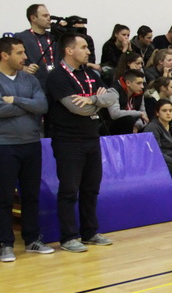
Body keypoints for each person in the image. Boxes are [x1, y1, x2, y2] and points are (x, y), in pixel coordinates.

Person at [46, 34, 118, 252]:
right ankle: (68, 237)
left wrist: (93, 100)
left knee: (91, 188)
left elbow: (114, 96)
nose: (89, 52)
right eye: (84, 47)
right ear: (69, 50)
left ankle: (89, 232)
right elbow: (77, 108)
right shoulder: (57, 76)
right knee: (69, 190)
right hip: (68, 141)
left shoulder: (89, 73)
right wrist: (97, 103)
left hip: (91, 137)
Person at [0, 37, 53, 262]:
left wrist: (15, 101)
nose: (25, 57)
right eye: (20, 53)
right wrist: (26, 105)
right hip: (5, 146)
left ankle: (32, 239)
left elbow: (42, 106)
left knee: (31, 195)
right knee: (4, 197)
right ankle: (5, 244)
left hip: (31, 144)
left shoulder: (29, 79)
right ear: (5, 55)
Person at [15, 4, 57, 79]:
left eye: (49, 16)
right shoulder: (21, 37)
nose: (49, 19)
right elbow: (10, 61)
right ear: (33, 18)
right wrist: (24, 68)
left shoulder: (55, 37)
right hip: (34, 82)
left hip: (56, 82)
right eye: (45, 16)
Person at [101, 69, 148, 135]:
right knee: (128, 120)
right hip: (111, 127)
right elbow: (114, 114)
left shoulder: (139, 92)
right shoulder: (114, 90)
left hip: (132, 125)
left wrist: (137, 125)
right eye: (139, 83)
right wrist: (139, 113)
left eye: (142, 83)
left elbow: (144, 115)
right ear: (128, 83)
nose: (142, 86)